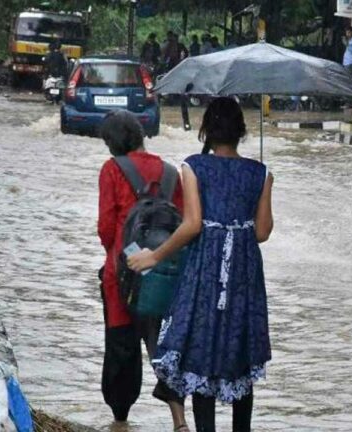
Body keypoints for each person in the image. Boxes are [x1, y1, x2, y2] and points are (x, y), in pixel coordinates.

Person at [128, 97, 274, 432]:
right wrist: (260, 185)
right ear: (241, 131)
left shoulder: (193, 166)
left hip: (205, 270)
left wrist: (153, 255)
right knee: (239, 350)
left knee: (200, 351)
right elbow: (263, 232)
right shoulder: (261, 173)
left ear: (207, 130)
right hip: (244, 273)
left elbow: (193, 224)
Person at [97, 111, 189, 432]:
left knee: (122, 348)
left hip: (121, 275)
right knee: (162, 345)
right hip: (163, 274)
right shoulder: (170, 173)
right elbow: (182, 225)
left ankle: (120, 421)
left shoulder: (111, 170)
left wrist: (117, 255)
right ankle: (180, 422)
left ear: (113, 143)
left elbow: (106, 228)